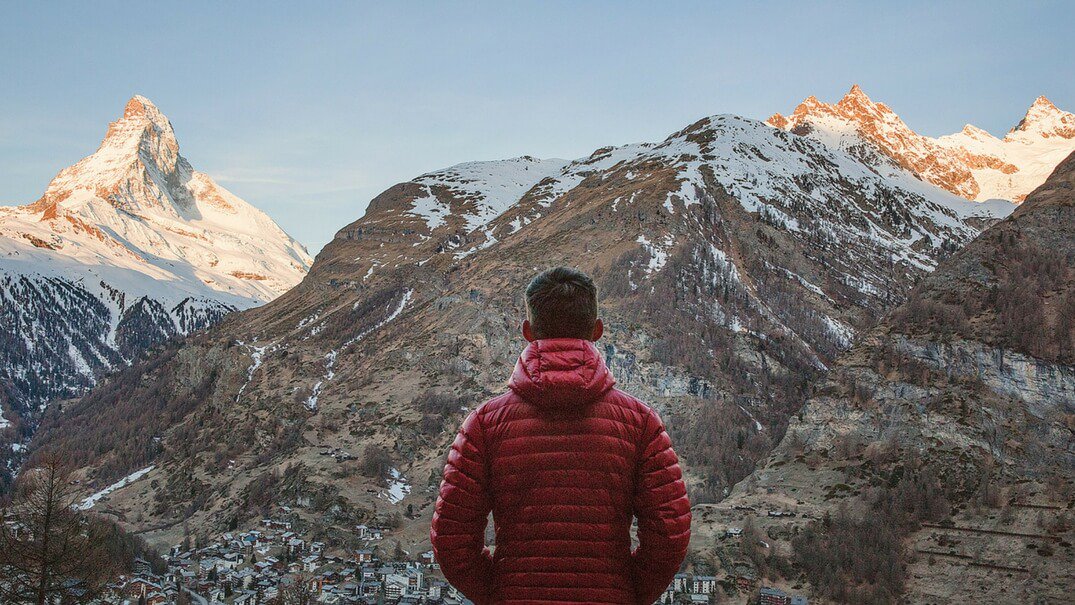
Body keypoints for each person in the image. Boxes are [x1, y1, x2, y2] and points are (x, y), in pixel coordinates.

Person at [430, 266, 691, 605]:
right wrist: (626, 593)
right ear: (597, 330)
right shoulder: (640, 423)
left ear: (527, 331)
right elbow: (670, 533)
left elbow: (452, 538)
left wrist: (499, 593)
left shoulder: (484, 424)